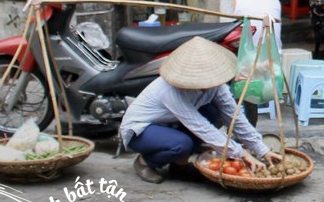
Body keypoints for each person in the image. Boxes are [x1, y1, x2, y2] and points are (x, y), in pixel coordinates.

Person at [120, 36, 281, 184]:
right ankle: (145, 162)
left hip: (170, 124)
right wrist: (241, 153)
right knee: (182, 145)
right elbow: (200, 127)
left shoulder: (217, 85)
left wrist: (261, 149)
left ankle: (179, 165)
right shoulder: (170, 91)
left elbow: (234, 117)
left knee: (211, 111)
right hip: (140, 130)